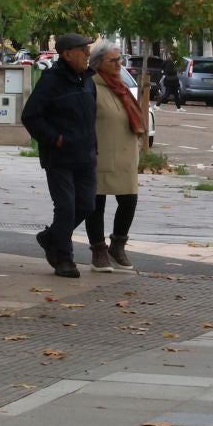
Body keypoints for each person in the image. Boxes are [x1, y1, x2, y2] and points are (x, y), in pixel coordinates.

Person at [21, 32, 98, 278]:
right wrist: (56, 139)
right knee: (65, 206)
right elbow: (30, 116)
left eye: (88, 49)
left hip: (85, 156)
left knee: (86, 205)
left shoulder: (87, 81)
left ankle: (51, 237)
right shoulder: (51, 81)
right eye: (83, 49)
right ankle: (64, 258)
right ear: (67, 54)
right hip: (60, 157)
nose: (88, 54)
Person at [85, 41, 143, 273]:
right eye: (113, 60)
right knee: (96, 203)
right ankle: (98, 249)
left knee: (129, 200)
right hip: (101, 155)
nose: (119, 64)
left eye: (120, 60)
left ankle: (118, 245)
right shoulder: (91, 87)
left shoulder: (120, 87)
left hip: (126, 156)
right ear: (99, 64)